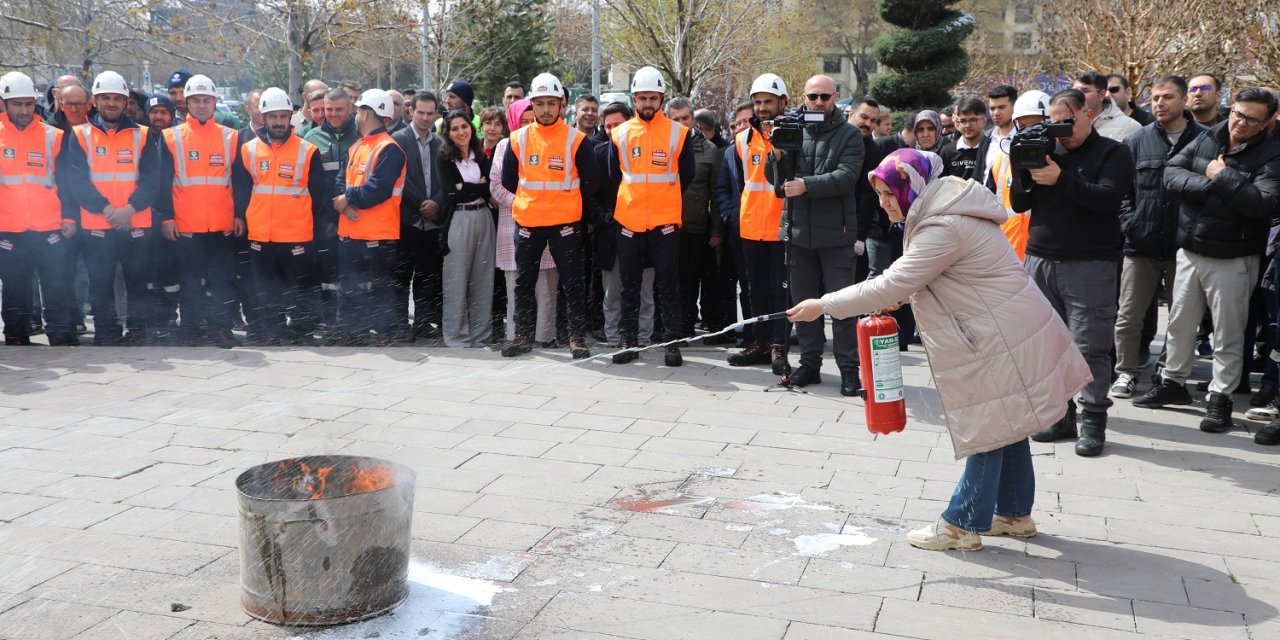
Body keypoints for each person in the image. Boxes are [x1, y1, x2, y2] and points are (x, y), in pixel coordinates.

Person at [787, 148, 1091, 551]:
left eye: (889, 194)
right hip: (1002, 328)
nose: (884, 203)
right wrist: (912, 289)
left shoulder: (943, 225)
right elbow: (949, 275)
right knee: (1007, 418)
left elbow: (890, 283)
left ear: (910, 187)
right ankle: (1014, 514)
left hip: (998, 336)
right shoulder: (943, 208)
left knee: (989, 424)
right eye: (879, 194)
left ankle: (961, 524)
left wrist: (822, 305)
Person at [1133, 88, 1280, 435]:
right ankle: (1173, 380)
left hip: (1233, 256)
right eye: (1238, 113)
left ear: (1268, 121)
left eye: (1251, 118)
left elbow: (1261, 205)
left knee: (1228, 332)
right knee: (1180, 323)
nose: (1240, 122)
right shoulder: (1208, 138)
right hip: (1189, 248)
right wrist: (1214, 185)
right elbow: (1171, 174)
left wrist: (1220, 176)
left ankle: (1221, 398)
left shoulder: (1272, 155)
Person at [1010, 88, 1135, 457]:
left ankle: (1093, 421)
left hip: (1090, 263)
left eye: (1066, 120)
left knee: (1091, 347)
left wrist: (1061, 178)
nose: (1059, 128)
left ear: (1087, 115)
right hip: (1041, 260)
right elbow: (1020, 204)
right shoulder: (1046, 148)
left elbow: (1108, 199)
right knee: (1049, 346)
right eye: (1053, 120)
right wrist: (1022, 170)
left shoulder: (1114, 153)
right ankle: (1060, 415)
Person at [766, 74, 865, 395]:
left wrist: (806, 185)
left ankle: (850, 370)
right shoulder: (791, 128)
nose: (818, 102)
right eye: (812, 97)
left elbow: (847, 177)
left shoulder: (850, 134)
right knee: (803, 305)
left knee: (842, 306)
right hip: (797, 233)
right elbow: (774, 178)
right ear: (804, 97)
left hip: (837, 235)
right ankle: (810, 365)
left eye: (824, 97)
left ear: (836, 97)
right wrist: (777, 155)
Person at [1111, 76, 1204, 399]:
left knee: (1182, 317)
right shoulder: (1137, 140)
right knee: (1128, 315)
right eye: (1155, 98)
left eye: (1167, 97)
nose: (1160, 103)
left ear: (1183, 101)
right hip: (1141, 243)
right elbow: (1124, 190)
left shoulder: (1205, 140)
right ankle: (1126, 371)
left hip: (1185, 245)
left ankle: (1168, 373)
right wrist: (1129, 223)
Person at [62, 70, 164, 346]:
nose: (111, 103)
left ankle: (137, 332)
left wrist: (129, 210)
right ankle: (107, 334)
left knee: (138, 285)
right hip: (98, 225)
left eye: (117, 98)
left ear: (126, 101)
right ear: (94, 101)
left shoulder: (142, 135)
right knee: (101, 285)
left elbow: (151, 180)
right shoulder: (80, 135)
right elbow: (77, 180)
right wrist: (109, 211)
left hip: (135, 223)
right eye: (105, 97)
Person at [500, 73, 599, 359]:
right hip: (529, 222)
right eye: (540, 103)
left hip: (565, 224)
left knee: (572, 282)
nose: (545, 109)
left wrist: (563, 200)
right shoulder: (517, 139)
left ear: (561, 105)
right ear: (531, 105)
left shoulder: (576, 140)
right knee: (524, 283)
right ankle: (522, 337)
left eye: (551, 103)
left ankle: (577, 338)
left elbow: (592, 182)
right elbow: (508, 181)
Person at [605, 66, 695, 366]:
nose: (647, 103)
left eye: (653, 98)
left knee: (669, 285)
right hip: (629, 221)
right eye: (642, 98)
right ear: (633, 99)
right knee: (629, 286)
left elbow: (689, 174)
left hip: (665, 222)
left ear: (662, 98)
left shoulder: (678, 133)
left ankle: (671, 342)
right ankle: (629, 341)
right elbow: (612, 174)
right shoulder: (619, 133)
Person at [233, 87, 330, 345]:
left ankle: (302, 330)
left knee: (302, 287)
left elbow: (319, 194)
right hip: (260, 234)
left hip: (297, 234)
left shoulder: (308, 151)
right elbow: (241, 190)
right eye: (273, 116)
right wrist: (240, 217)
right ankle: (270, 330)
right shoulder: (248, 150)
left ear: (290, 117)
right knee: (264, 289)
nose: (278, 122)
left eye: (283, 116)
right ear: (263, 117)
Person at [155, 74, 245, 348]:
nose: (202, 105)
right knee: (190, 282)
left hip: (222, 224)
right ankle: (191, 328)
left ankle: (221, 328)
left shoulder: (231, 137)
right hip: (186, 224)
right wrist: (167, 217)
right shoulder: (171, 137)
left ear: (215, 102)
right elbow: (161, 182)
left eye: (207, 100)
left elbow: (239, 181)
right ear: (186, 103)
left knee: (221, 281)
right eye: (196, 100)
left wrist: (239, 214)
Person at [0, 71, 78, 346]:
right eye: (17, 104)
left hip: (49, 226)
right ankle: (16, 334)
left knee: (57, 284)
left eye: (28, 104)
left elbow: (66, 182)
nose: (23, 110)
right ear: (4, 104)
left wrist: (69, 216)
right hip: (8, 228)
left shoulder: (53, 136)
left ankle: (60, 333)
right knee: (14, 287)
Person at [331, 89, 407, 344]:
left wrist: (347, 198)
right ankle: (352, 332)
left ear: (368, 114)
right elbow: (339, 182)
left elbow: (378, 190)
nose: (356, 114)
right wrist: (342, 202)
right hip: (351, 232)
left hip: (378, 235)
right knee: (349, 288)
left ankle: (385, 333)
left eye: (359, 109)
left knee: (380, 288)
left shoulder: (390, 149)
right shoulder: (357, 147)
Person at [727, 74, 790, 373]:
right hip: (751, 228)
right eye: (758, 102)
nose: (762, 107)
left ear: (783, 103)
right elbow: (742, 184)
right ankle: (759, 343)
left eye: (768, 102)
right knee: (755, 291)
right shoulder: (742, 140)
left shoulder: (793, 136)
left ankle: (779, 345)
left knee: (780, 291)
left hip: (781, 228)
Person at [492, 98, 558, 346]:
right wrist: (527, 203)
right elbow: (496, 187)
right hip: (515, 225)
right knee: (516, 287)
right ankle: (518, 336)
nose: (528, 126)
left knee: (546, 288)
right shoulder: (504, 146)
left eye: (532, 121)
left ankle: (544, 337)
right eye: (523, 122)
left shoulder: (551, 142)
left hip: (548, 223)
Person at [594, 101, 655, 348]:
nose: (611, 130)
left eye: (617, 124)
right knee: (612, 292)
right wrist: (606, 218)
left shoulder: (648, 148)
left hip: (645, 231)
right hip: (611, 233)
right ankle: (613, 336)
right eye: (607, 126)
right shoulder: (598, 154)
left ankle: (643, 337)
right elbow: (589, 195)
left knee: (645, 292)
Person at [665, 96, 724, 343]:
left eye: (685, 118)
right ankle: (666, 327)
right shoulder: (660, 144)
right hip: (663, 225)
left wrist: (716, 230)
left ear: (694, 119)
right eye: (675, 119)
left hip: (694, 226)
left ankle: (685, 327)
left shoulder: (709, 151)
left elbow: (717, 193)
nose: (681, 122)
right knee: (666, 280)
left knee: (688, 281)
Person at [437, 108, 496, 348]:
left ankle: (481, 334)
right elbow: (451, 195)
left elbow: (490, 188)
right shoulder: (444, 159)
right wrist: (477, 187)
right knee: (456, 280)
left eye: (465, 127)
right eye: (455, 128)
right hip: (458, 221)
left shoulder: (481, 156)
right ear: (448, 133)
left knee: (483, 279)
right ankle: (457, 336)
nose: (461, 132)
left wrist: (466, 187)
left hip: (483, 218)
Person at [390, 91, 445, 341]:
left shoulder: (440, 144)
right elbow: (398, 178)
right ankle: (399, 324)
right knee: (401, 277)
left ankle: (422, 322)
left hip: (432, 223)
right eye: (420, 112)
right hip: (406, 220)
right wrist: (421, 203)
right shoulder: (397, 140)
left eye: (429, 113)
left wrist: (436, 202)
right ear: (411, 111)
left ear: (435, 114)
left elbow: (446, 181)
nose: (424, 118)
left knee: (427, 277)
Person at [304, 88, 360, 332]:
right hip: (323, 218)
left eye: (339, 109)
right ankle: (329, 322)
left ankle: (356, 322)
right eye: (329, 109)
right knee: (327, 274)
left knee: (356, 272)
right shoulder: (310, 137)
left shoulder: (361, 137)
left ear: (350, 109)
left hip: (355, 215)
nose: (333, 114)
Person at [988, 90, 1051, 261]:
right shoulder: (1001, 160)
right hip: (1007, 254)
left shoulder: (1063, 158)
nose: (1029, 131)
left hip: (1045, 254)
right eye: (1023, 126)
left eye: (1036, 125)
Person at [714, 101, 756, 348]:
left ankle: (771, 339)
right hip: (739, 231)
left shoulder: (771, 147)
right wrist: (730, 215)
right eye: (737, 123)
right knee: (746, 289)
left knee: (767, 289)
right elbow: (722, 189)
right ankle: (751, 338)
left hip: (768, 233)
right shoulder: (730, 152)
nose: (741, 126)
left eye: (746, 121)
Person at [1074, 71, 1141, 142]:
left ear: (1102, 94)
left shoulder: (1129, 126)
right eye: (1074, 91)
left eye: (1085, 91)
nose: (1078, 95)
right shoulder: (1067, 123)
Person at [940, 96, 990, 181]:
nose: (967, 125)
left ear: (984, 121)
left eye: (973, 120)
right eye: (963, 121)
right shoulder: (947, 151)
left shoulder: (992, 147)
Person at [984, 85, 1018, 184]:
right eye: (992, 108)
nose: (996, 113)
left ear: (1015, 107)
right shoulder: (986, 138)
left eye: (1002, 107)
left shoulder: (1024, 137)